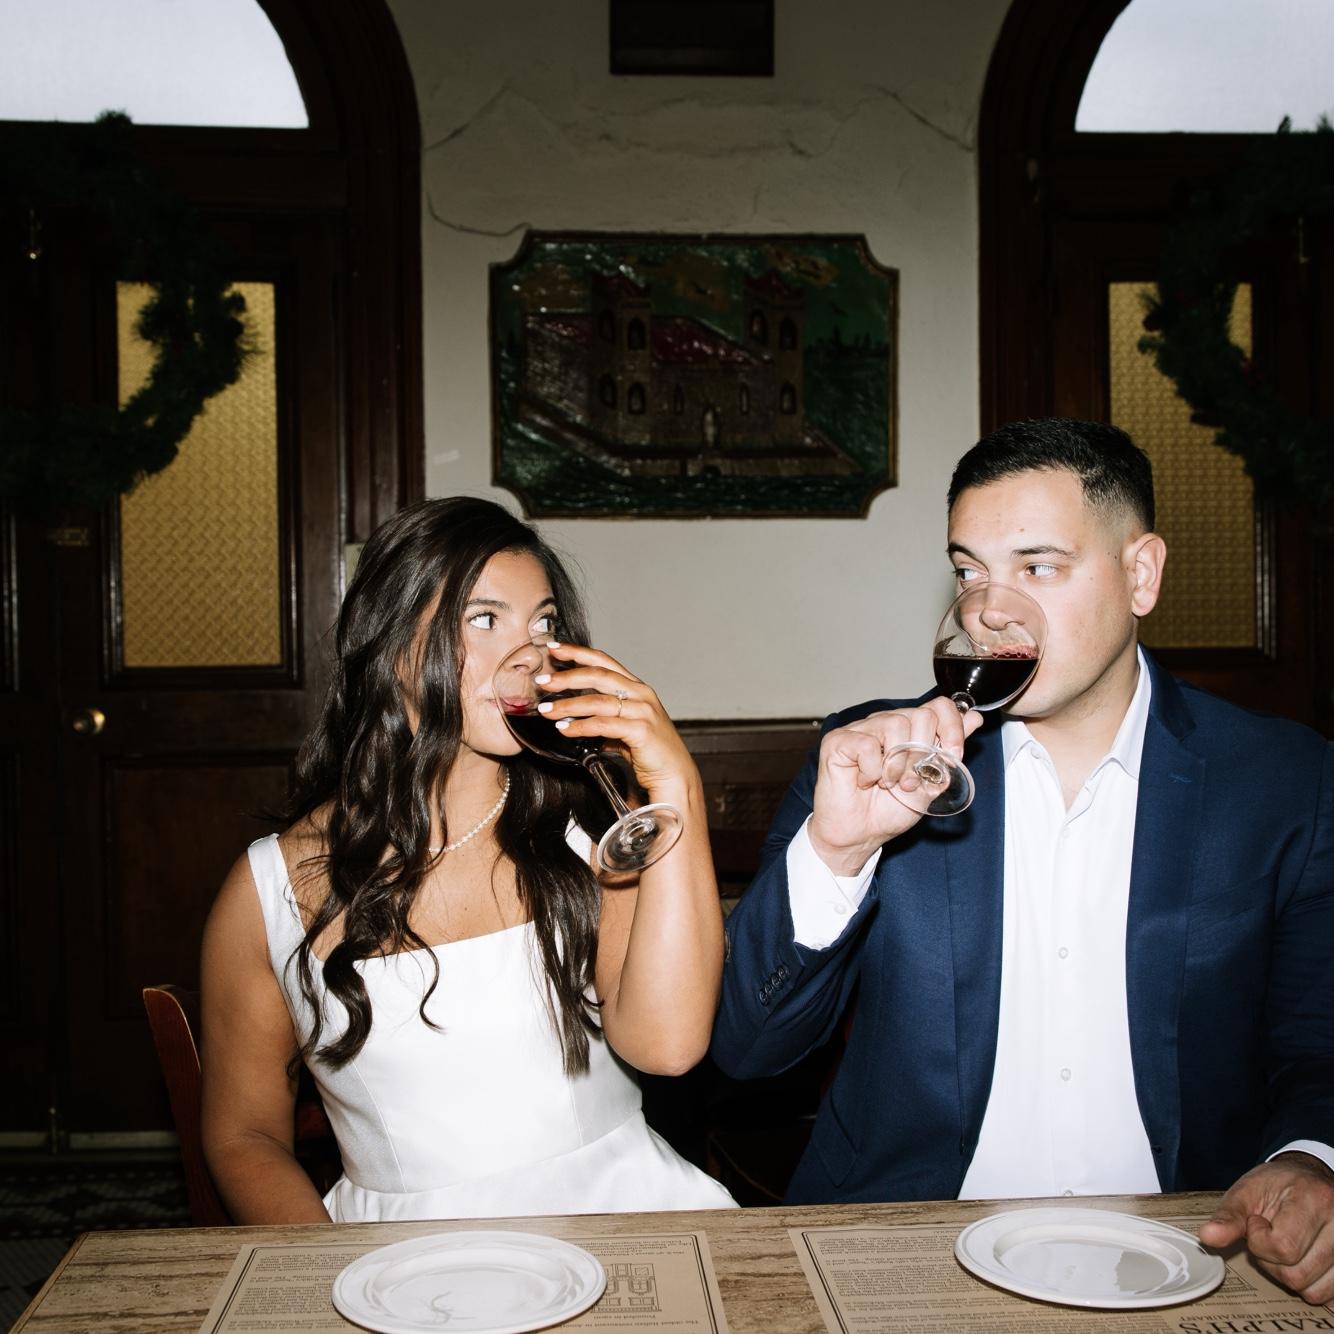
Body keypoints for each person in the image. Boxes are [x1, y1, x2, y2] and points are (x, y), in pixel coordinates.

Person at [710, 419, 1334, 1302]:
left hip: (1187, 1252)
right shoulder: (873, 763)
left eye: (1037, 567)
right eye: (970, 572)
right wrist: (840, 849)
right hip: (907, 1252)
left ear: (1141, 574)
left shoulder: (1284, 781)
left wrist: (1310, 1159)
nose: (988, 610)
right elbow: (747, 1049)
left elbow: (1317, 1044)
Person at [201, 497, 735, 1222]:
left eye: (543, 625)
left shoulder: (590, 835)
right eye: (485, 620)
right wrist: (325, 1271)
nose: (530, 657)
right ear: (391, 641)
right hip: (399, 1257)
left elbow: (668, 1047)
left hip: (626, 1225)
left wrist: (676, 784)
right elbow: (244, 1135)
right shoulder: (270, 889)